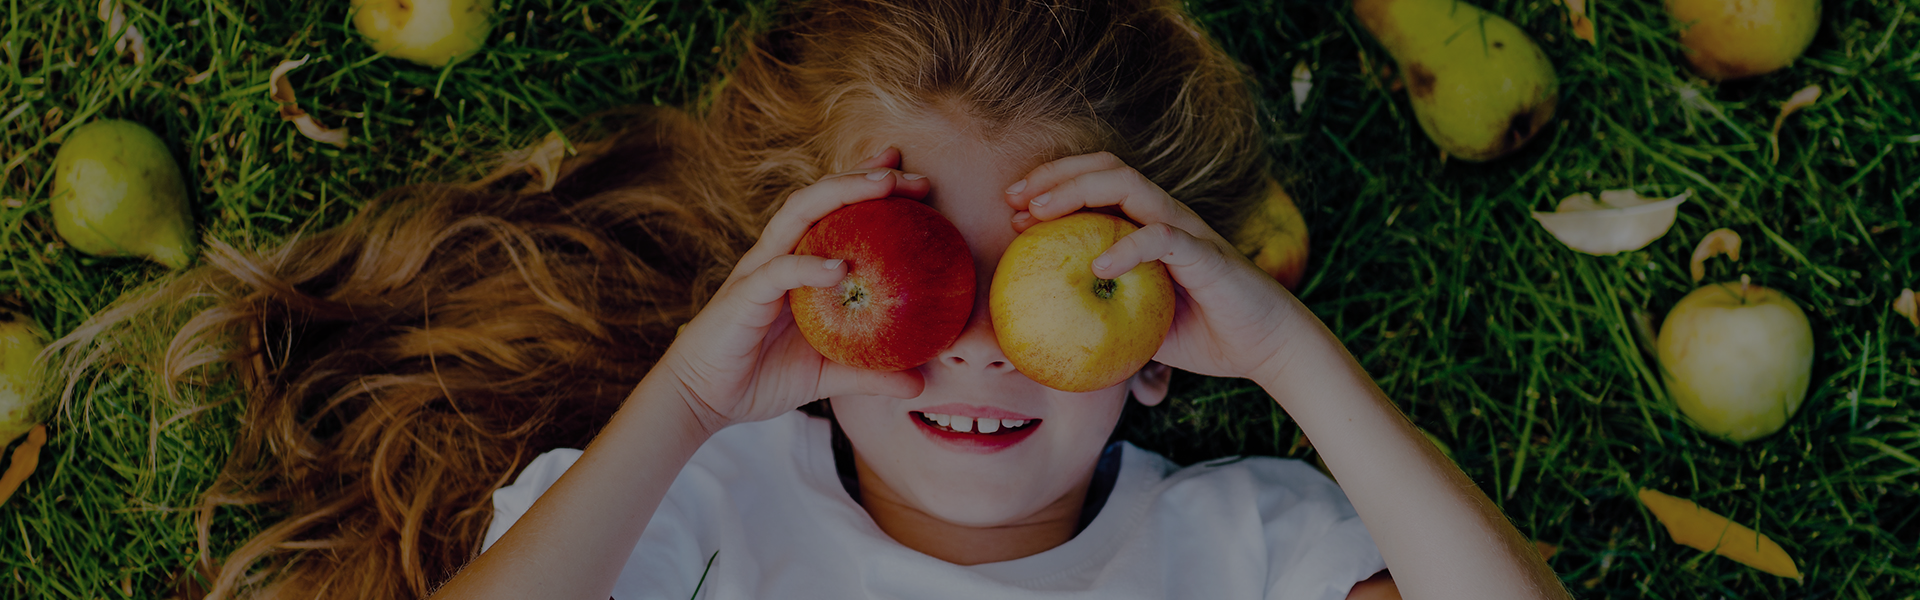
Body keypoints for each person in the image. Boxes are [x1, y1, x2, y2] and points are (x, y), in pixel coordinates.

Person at [50, 0, 1567, 598]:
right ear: (799, 295)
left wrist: (1290, 353)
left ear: (1166, 337)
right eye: (916, 280)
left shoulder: (1250, 550)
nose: (976, 338)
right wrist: (692, 401)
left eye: (1051, 287)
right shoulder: (695, 509)